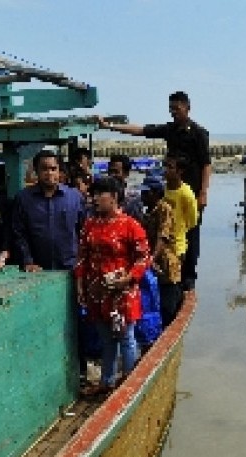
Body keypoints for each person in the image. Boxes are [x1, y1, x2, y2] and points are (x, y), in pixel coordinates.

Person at [96, 90, 211, 290]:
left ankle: (189, 276)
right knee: (167, 229)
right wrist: (110, 126)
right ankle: (167, 267)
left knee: (191, 232)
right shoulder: (170, 129)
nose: (173, 112)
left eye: (177, 108)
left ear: (187, 108)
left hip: (191, 191)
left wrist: (203, 192)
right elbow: (141, 130)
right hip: (171, 188)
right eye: (171, 109)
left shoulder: (199, 133)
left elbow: (206, 165)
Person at [75, 177, 150, 397]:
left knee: (126, 338)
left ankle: (129, 386)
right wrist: (80, 283)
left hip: (122, 293)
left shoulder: (130, 225)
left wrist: (128, 279)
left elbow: (143, 257)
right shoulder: (90, 224)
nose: (94, 198)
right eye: (94, 194)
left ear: (115, 197)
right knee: (106, 339)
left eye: (100, 194)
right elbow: (82, 257)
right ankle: (107, 381)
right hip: (97, 293)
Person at [12, 150, 85, 271]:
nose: (49, 173)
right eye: (44, 169)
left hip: (71, 268)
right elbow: (19, 234)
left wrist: (81, 262)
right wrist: (27, 261)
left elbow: (84, 231)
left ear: (59, 171)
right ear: (36, 171)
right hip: (36, 270)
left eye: (53, 168)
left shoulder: (75, 197)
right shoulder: (23, 199)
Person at [140, 174, 182, 327]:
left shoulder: (164, 209)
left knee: (168, 308)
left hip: (166, 265)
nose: (142, 196)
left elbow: (162, 237)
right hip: (153, 264)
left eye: (146, 193)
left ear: (156, 193)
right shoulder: (147, 212)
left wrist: (151, 258)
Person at [162, 154, 199, 271]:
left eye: (170, 167)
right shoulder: (161, 189)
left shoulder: (186, 194)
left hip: (176, 247)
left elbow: (192, 222)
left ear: (180, 171)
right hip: (161, 244)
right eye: (165, 166)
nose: (166, 170)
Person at [109, 153, 144, 224]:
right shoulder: (103, 196)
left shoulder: (133, 200)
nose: (112, 175)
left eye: (116, 172)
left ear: (126, 173)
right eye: (110, 171)